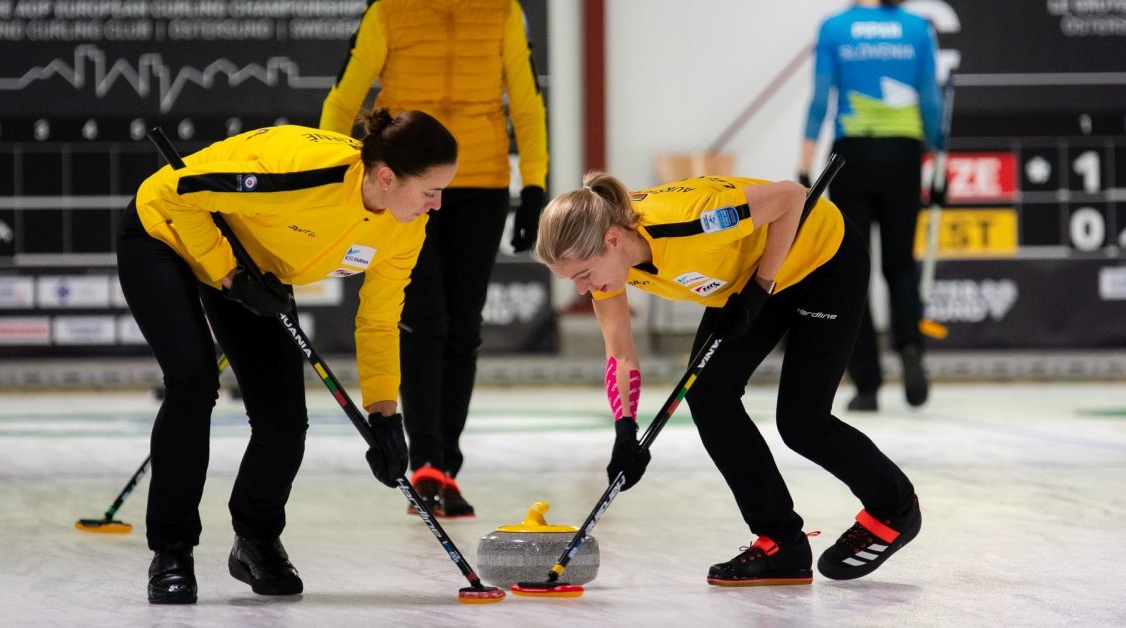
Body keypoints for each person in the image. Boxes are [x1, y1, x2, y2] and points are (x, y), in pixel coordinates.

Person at [117, 108, 458, 604]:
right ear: (386, 177)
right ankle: (172, 550)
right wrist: (230, 278)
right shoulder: (303, 173)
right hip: (164, 231)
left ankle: (254, 538)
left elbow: (379, 320)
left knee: (283, 420)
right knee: (193, 381)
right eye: (431, 191)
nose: (439, 204)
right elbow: (179, 191)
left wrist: (385, 412)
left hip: (255, 266)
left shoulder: (406, 227)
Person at [534, 171, 921, 585]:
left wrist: (762, 287)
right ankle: (781, 542)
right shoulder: (608, 263)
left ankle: (894, 507)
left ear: (612, 239)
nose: (581, 289)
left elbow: (792, 198)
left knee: (802, 423)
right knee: (708, 393)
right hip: (753, 274)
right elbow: (621, 352)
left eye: (582, 275)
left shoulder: (692, 221)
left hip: (820, 259)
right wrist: (625, 432)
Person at [319, 0, 549, 518]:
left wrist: (533, 184)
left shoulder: (502, 11)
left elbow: (528, 101)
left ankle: (446, 466)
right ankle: (425, 462)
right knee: (423, 319)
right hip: (404, 182)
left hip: (482, 182)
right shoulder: (389, 10)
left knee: (464, 325)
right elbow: (343, 97)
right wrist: (335, 175)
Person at [799, 0, 943, 411]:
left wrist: (804, 164)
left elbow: (820, 100)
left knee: (852, 270)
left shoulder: (835, 28)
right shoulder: (916, 28)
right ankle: (911, 349)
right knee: (900, 265)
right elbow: (930, 100)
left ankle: (866, 383)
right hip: (903, 155)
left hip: (851, 157)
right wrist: (937, 154)